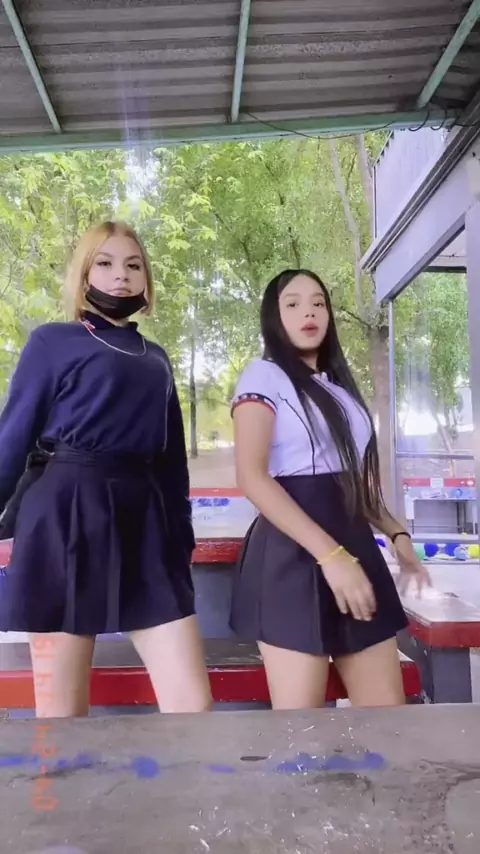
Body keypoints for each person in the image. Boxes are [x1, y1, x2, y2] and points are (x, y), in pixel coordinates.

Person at [0, 221, 212, 717]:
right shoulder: (52, 342)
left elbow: (171, 464)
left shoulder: (157, 357)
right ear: (84, 273)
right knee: (62, 715)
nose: (122, 275)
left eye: (134, 265)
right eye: (106, 263)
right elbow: (13, 436)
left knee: (192, 706)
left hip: (146, 522)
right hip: (65, 515)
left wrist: (180, 540)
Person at [230, 269, 430, 710]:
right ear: (273, 317)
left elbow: (352, 483)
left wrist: (397, 535)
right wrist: (332, 557)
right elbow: (252, 477)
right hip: (293, 559)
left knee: (388, 720)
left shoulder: (339, 389)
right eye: (293, 304)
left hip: (354, 550)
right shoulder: (263, 377)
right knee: (301, 729)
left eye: (318, 303)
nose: (309, 312)